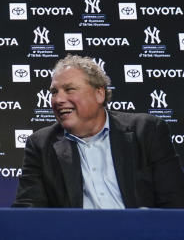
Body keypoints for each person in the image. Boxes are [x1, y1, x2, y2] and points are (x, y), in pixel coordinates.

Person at [13, 54, 184, 208]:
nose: (58, 99)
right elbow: (29, 210)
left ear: (99, 93)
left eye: (69, 89)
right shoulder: (41, 144)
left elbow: (174, 203)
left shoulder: (147, 131)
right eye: (54, 92)